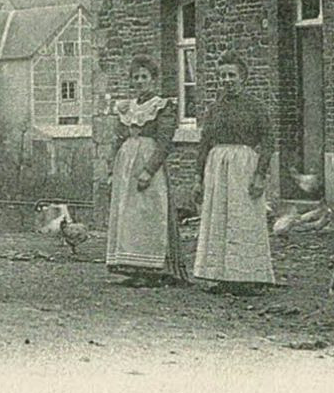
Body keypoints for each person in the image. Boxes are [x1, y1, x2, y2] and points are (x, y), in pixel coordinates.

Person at [192, 53, 275, 294]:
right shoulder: (214, 109)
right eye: (223, 76)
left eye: (232, 75)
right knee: (218, 218)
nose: (227, 80)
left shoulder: (256, 107)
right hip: (217, 167)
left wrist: (260, 174)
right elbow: (204, 143)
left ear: (243, 78)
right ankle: (219, 275)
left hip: (243, 168)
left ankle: (247, 276)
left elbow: (268, 141)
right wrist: (198, 178)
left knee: (243, 218)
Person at [106, 55, 188, 286]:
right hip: (126, 165)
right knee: (129, 213)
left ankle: (152, 269)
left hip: (148, 162)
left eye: (144, 77)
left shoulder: (162, 106)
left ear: (153, 79)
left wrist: (149, 170)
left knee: (149, 212)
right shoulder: (128, 107)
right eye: (136, 78)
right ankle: (132, 266)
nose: (140, 81)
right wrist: (112, 168)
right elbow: (119, 138)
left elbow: (164, 142)